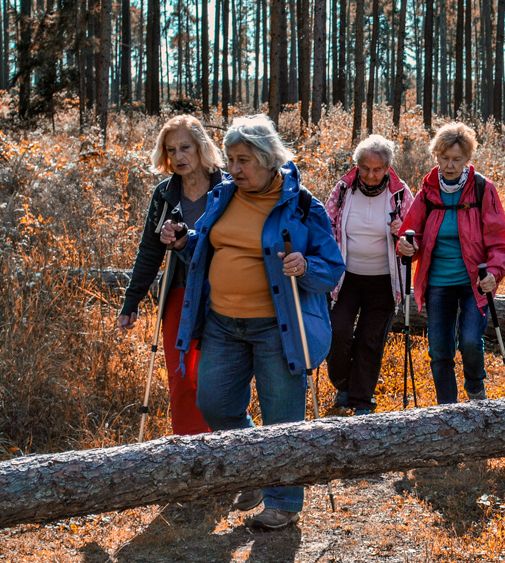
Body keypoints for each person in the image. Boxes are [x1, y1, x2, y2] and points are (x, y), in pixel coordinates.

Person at [162, 115, 344, 530]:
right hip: (222, 324)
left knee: (282, 418)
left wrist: (306, 265)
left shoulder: (301, 206)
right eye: (230, 159)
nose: (234, 169)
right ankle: (255, 471)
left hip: (275, 328)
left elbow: (332, 268)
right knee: (215, 402)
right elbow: (208, 254)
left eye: (243, 160)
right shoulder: (222, 196)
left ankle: (283, 503)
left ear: (267, 159)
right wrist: (186, 241)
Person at [117, 114, 227, 436]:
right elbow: (149, 252)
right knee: (181, 375)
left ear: (201, 147)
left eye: (185, 148)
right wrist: (131, 301)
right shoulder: (164, 195)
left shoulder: (226, 188)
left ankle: (223, 443)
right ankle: (188, 449)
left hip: (223, 293)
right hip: (178, 292)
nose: (178, 157)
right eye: (171, 150)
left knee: (212, 375)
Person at [396, 122, 505, 405]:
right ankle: (446, 409)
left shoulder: (482, 189)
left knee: (471, 341)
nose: (449, 166)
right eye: (444, 158)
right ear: (436, 156)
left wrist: (495, 273)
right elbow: (411, 234)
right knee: (439, 349)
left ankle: (475, 387)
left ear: (467, 159)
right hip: (437, 281)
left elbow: (501, 239)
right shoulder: (428, 191)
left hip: (475, 281)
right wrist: (405, 246)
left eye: (456, 159)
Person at [325, 135, 414, 416]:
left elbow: (416, 238)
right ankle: (343, 383)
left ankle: (361, 400)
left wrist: (403, 236)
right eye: (365, 168)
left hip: (383, 280)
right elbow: (326, 226)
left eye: (377, 169)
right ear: (357, 167)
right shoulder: (342, 190)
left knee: (370, 339)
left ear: (388, 168)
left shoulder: (400, 196)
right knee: (336, 331)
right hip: (347, 278)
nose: (371, 175)